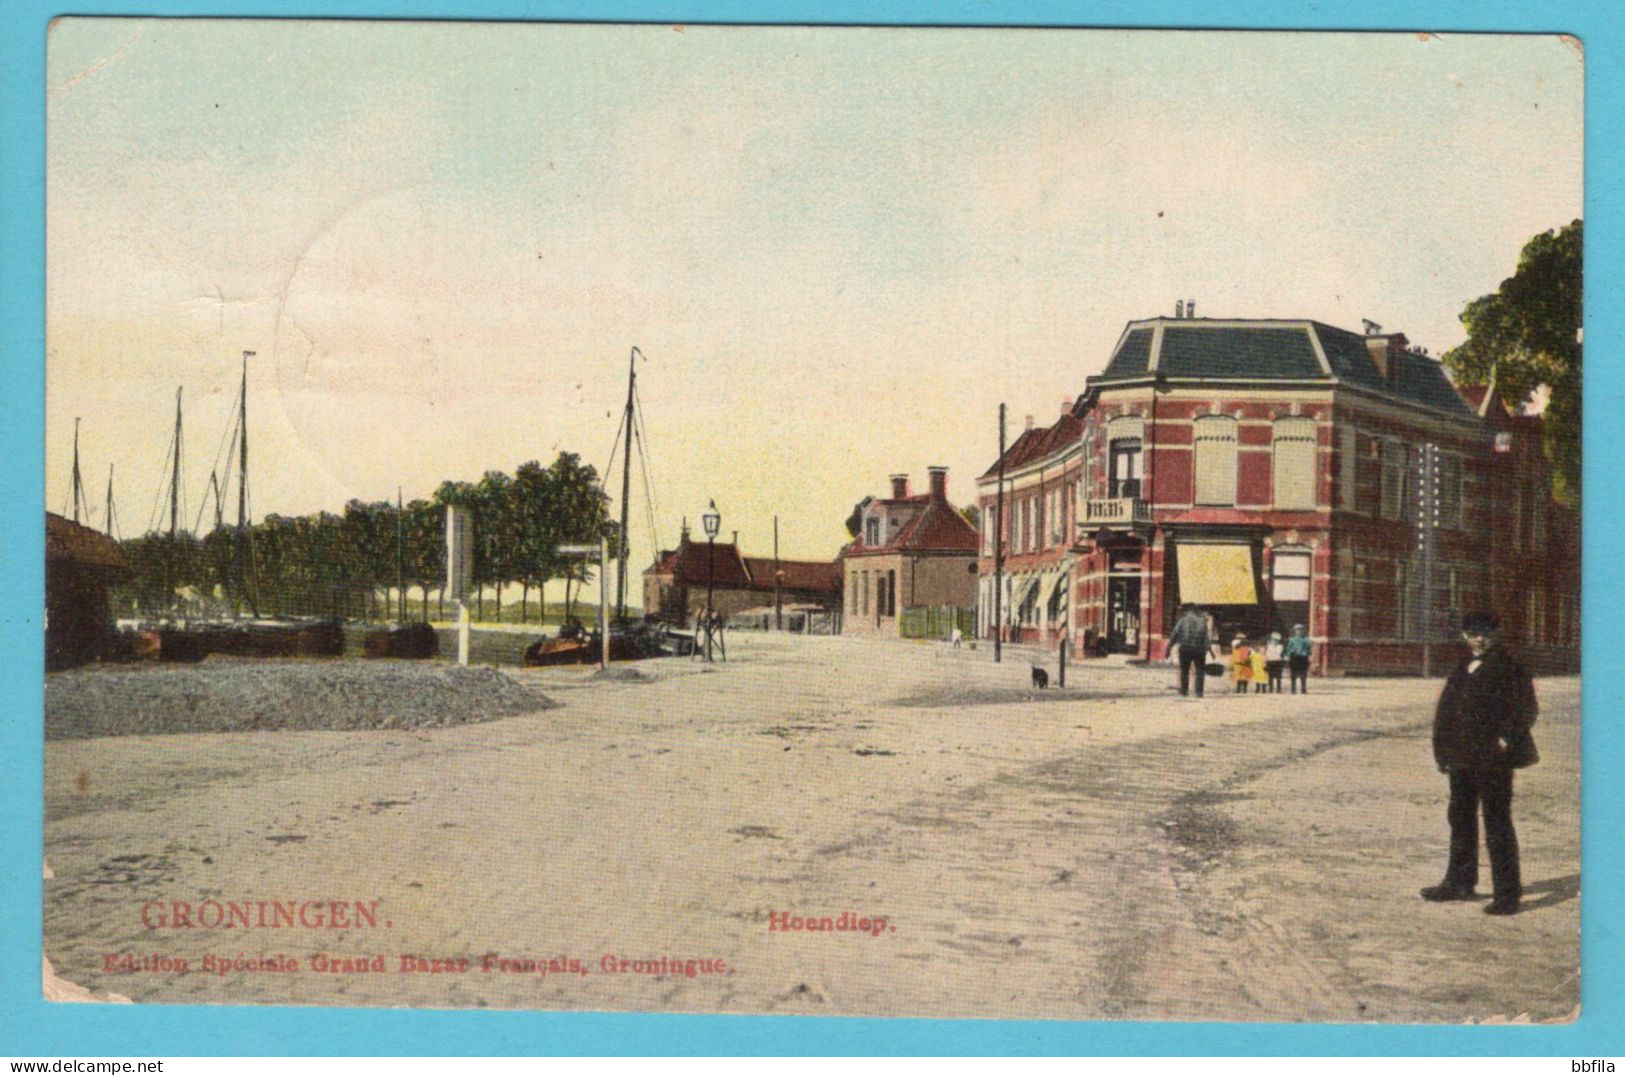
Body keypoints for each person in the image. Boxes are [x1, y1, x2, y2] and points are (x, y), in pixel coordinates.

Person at [1421, 611, 1538, 916]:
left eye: (1485, 633)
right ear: (1465, 636)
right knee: (1460, 817)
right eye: (1474, 633)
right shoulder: (1462, 666)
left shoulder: (1510, 667)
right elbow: (1447, 710)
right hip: (1460, 757)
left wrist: (1505, 738)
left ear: (1495, 634)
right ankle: (1459, 881)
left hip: (1493, 760)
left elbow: (1526, 708)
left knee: (1497, 822)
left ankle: (1507, 894)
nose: (1480, 639)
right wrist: (1442, 752)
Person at [1167, 603, 1211, 698]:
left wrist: (1168, 648)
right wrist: (1209, 649)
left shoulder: (1182, 620)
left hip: (1185, 648)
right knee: (1200, 670)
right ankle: (1199, 692)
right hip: (1199, 649)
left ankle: (1184, 691)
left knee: (1184, 670)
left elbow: (1175, 634)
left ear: (1187, 611)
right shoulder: (1202, 621)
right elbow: (1206, 636)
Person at [1284, 624, 1312, 694]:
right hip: (1294, 658)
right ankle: (1293, 689)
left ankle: (1303, 689)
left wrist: (1309, 656)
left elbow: (1309, 649)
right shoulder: (1292, 640)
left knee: (1303, 674)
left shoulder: (1306, 639)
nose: (1299, 631)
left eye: (1300, 630)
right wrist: (1288, 655)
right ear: (1294, 631)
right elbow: (1288, 649)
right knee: (1293, 674)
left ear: (1303, 631)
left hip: (1303, 658)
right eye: (1297, 630)